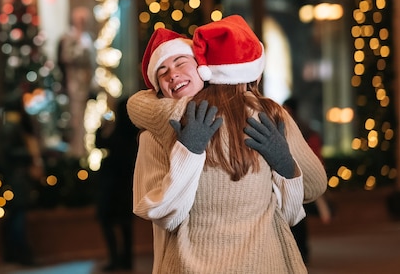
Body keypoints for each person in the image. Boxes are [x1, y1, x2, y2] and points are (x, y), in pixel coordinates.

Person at [127, 15, 328, 273]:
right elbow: (164, 215)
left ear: (203, 67)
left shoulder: (266, 116)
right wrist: (188, 151)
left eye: (180, 62)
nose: (172, 74)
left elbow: (304, 195)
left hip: (262, 263)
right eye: (161, 72)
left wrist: (285, 164)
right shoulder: (157, 133)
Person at [283, 96, 332, 264]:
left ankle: (301, 251)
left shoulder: (296, 128)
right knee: (297, 218)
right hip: (297, 175)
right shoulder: (301, 127)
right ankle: (301, 251)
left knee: (298, 219)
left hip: (298, 175)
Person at [0, 95, 45, 266]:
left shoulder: (13, 126)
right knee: (17, 215)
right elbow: (8, 152)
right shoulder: (12, 127)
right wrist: (30, 156)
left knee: (15, 215)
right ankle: (21, 253)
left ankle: (13, 252)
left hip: (17, 176)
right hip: (17, 177)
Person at [95, 97, 139, 271]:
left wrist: (101, 127)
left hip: (112, 184)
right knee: (125, 224)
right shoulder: (135, 132)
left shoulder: (117, 131)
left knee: (108, 221)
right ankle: (127, 260)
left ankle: (115, 259)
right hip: (127, 184)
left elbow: (100, 144)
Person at [57, 6, 96, 157]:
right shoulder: (69, 38)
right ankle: (76, 153)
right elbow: (66, 57)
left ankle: (84, 151)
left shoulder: (88, 37)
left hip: (87, 84)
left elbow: (92, 61)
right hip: (74, 85)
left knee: (85, 120)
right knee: (75, 119)